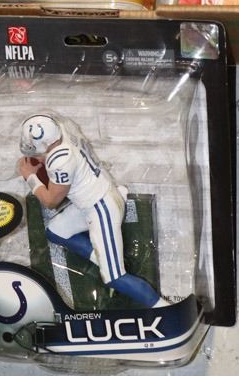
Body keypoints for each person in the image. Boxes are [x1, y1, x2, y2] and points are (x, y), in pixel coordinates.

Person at [17, 112, 168, 309]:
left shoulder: (60, 161)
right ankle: (105, 258)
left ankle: (164, 308)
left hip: (101, 209)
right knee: (55, 232)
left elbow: (51, 201)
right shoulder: (64, 131)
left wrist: (30, 177)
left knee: (114, 277)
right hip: (96, 197)